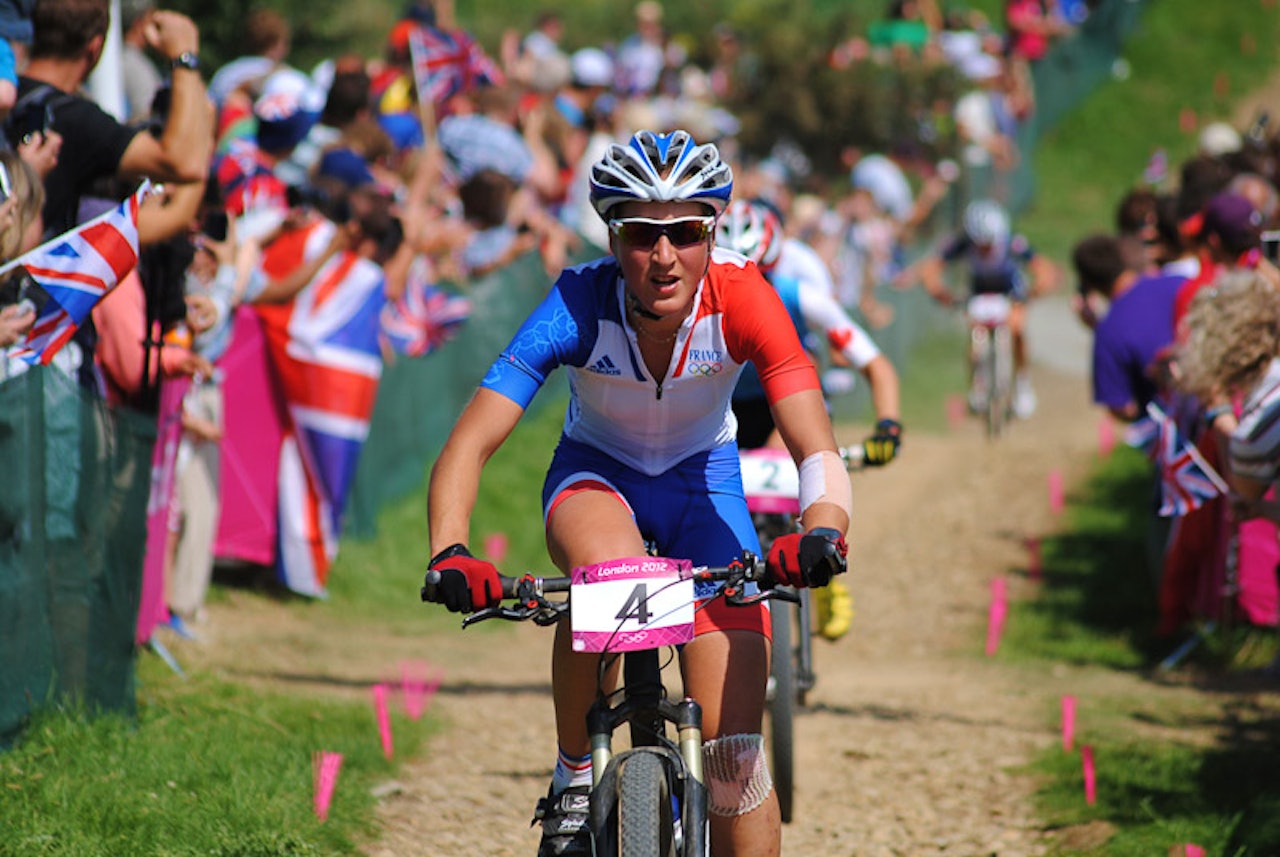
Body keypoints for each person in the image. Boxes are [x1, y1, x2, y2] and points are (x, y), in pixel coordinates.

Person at [423, 129, 850, 857]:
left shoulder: (746, 296)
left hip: (701, 484)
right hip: (598, 477)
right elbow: (470, 441)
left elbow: (815, 444)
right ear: (613, 237)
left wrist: (822, 530)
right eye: (641, 233)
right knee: (610, 578)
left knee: (736, 757)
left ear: (711, 231)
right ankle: (574, 774)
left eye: (685, 232)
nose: (663, 256)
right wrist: (451, 551)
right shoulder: (577, 302)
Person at [718, 197, 899, 643]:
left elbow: (874, 363)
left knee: (799, 466)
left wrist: (888, 427)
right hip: (729, 409)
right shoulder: (701, 300)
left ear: (776, 265)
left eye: (761, 275)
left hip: (790, 404)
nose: (748, 287)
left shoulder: (802, 296)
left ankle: (824, 574)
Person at [900, 198, 1058, 418]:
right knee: (974, 330)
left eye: (989, 244)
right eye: (980, 244)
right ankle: (977, 384)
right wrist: (940, 292)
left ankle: (1022, 386)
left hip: (1010, 289)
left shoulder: (1013, 243)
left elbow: (1044, 269)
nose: (985, 249)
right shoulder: (962, 244)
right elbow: (932, 268)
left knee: (1018, 328)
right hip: (978, 291)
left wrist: (1035, 290)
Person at [1070, 233, 1182, 422]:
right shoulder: (1178, 282)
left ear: (1088, 283)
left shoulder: (1108, 331)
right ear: (1123, 259)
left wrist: (1096, 326)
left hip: (1177, 427)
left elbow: (1122, 407)